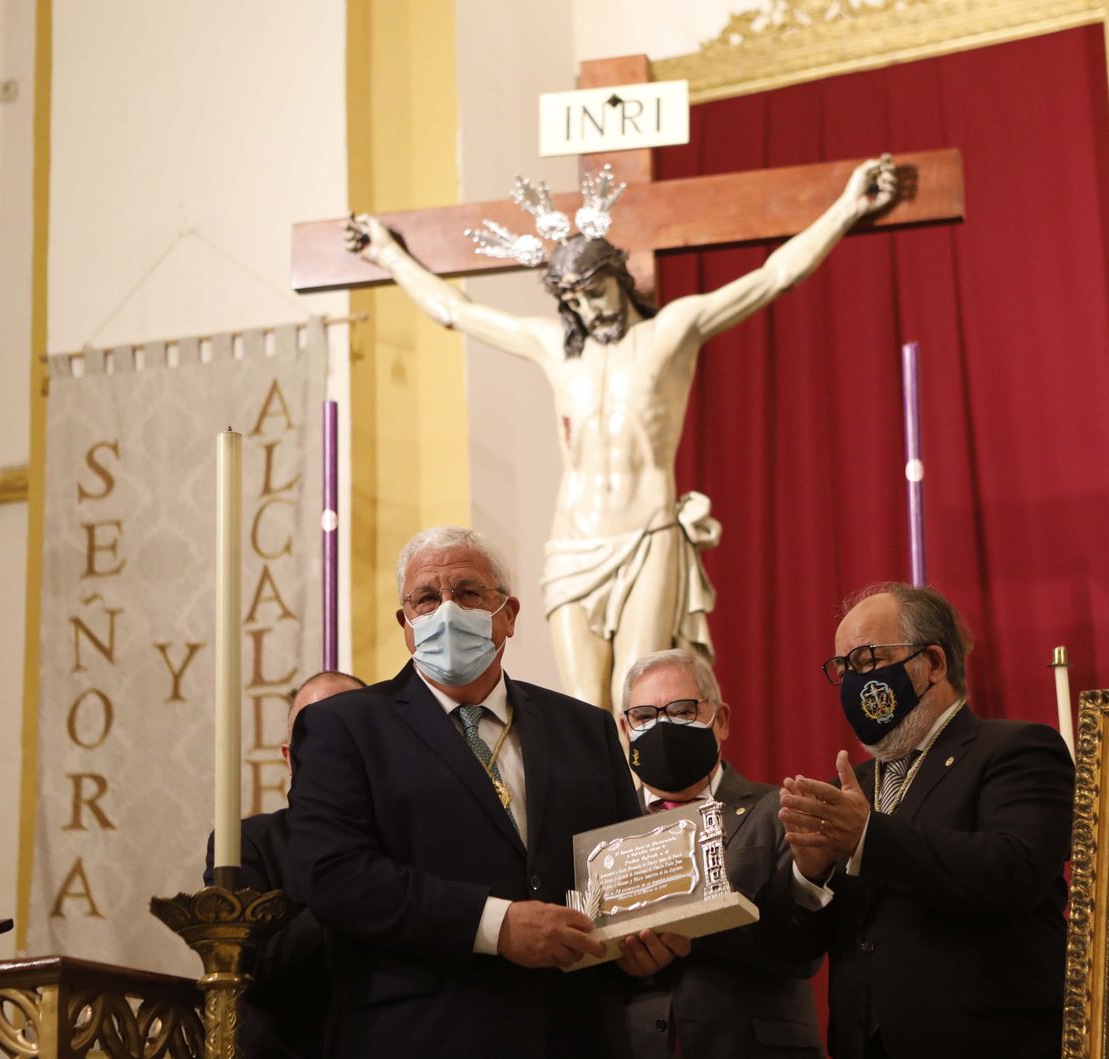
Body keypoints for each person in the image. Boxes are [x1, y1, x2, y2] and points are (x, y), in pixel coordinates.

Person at [342, 157, 898, 714]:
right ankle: (599, 806)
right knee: (584, 703)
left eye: (593, 289)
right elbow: (453, 311)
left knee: (638, 694)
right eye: (573, 299)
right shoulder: (556, 349)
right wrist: (387, 253)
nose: (585, 306)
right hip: (573, 542)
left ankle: (646, 805)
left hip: (646, 533)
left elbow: (776, 276)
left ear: (618, 273)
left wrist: (849, 206)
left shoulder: (670, 333)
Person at [287, 525, 689, 1058]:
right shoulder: (345, 726)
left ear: (510, 614)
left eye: (469, 592)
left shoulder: (585, 729)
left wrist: (642, 942)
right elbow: (333, 877)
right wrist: (495, 926)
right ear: (405, 623)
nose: (447, 610)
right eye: (427, 598)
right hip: (421, 1035)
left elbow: (619, 872)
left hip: (574, 1034)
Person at [777, 582, 1074, 1058]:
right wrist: (811, 878)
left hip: (988, 1043)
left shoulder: (1017, 749)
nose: (853, 680)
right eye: (843, 667)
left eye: (868, 660)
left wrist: (869, 837)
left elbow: (1014, 871)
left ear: (933, 663)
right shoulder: (854, 786)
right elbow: (805, 951)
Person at [615, 648, 822, 1058]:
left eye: (683, 710)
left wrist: (691, 930)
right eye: (644, 716)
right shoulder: (602, 827)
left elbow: (802, 948)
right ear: (625, 728)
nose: (663, 727)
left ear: (721, 719)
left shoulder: (780, 810)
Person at [204, 669, 366, 1059]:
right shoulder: (248, 843)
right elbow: (256, 963)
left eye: (347, 730)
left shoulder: (408, 837)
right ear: (288, 756)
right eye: (314, 732)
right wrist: (364, 890)